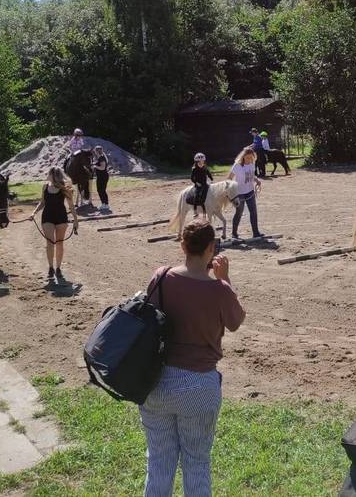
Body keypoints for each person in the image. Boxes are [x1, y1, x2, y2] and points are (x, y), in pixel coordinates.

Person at [140, 219, 246, 497]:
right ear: (212, 248)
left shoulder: (161, 277)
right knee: (197, 463)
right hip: (200, 385)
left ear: (182, 244)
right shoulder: (219, 290)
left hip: (156, 382)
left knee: (159, 463)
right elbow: (235, 322)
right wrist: (225, 280)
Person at [30, 166, 79, 286]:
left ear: (53, 175)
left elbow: (71, 205)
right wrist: (34, 213)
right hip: (47, 217)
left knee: (59, 243)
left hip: (61, 217)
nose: (47, 175)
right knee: (50, 243)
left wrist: (76, 220)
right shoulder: (45, 187)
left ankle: (58, 268)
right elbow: (42, 202)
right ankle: (51, 267)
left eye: (48, 173)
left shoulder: (64, 189)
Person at [227, 146, 264, 240]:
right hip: (239, 193)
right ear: (243, 156)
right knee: (239, 212)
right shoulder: (237, 166)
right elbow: (229, 178)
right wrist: (229, 189)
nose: (249, 159)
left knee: (253, 212)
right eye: (247, 158)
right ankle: (234, 234)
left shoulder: (252, 163)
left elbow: (251, 175)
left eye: (251, 157)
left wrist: (256, 180)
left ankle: (256, 232)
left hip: (250, 191)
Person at [190, 153, 214, 218]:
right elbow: (192, 178)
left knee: (211, 192)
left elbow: (208, 173)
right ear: (197, 161)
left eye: (203, 161)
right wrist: (196, 183)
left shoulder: (205, 167)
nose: (202, 162)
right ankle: (195, 210)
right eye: (200, 161)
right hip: (198, 184)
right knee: (197, 194)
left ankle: (210, 207)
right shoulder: (194, 169)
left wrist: (211, 179)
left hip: (205, 183)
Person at [93, 146, 111, 215]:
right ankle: (103, 203)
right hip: (100, 176)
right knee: (100, 190)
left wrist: (95, 166)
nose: (94, 152)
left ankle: (106, 204)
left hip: (103, 177)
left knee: (102, 190)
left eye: (95, 151)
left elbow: (102, 168)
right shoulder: (100, 158)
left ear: (97, 151)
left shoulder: (101, 158)